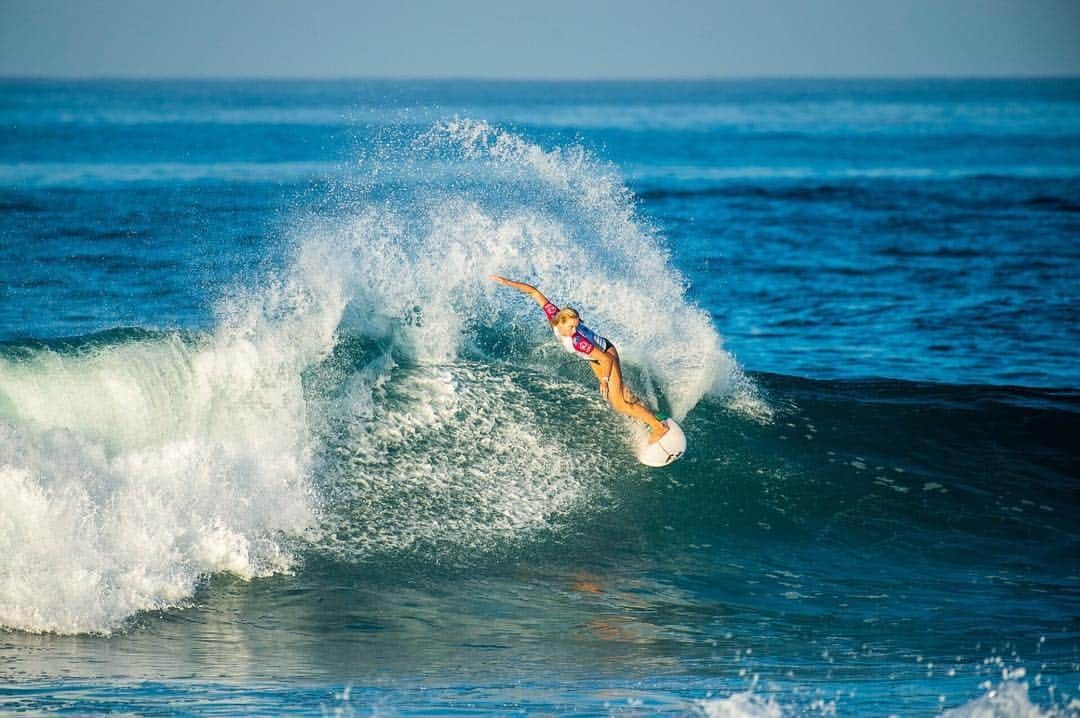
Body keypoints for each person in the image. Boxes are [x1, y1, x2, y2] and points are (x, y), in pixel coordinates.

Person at [490, 275, 670, 443]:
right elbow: (533, 292)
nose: (575, 330)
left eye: (576, 326)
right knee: (620, 392)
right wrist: (506, 282)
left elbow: (606, 359)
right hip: (594, 357)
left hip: (606, 355)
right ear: (559, 321)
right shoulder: (554, 314)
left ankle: (657, 427)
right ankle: (645, 409)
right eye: (571, 327)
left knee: (619, 404)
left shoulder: (577, 341)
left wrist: (605, 381)